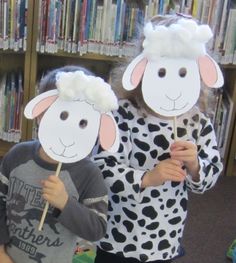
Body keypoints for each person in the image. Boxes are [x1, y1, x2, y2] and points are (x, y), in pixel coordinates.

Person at [92, 14, 224, 263]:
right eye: (163, 71)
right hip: (118, 235)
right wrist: (147, 177)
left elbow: (210, 176)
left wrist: (195, 165)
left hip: (164, 237)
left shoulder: (197, 123)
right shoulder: (122, 114)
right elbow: (102, 168)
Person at [0, 65, 110, 263]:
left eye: (82, 122)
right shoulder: (17, 156)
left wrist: (65, 204)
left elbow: (97, 229)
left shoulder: (89, 174)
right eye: (62, 115)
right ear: (41, 113)